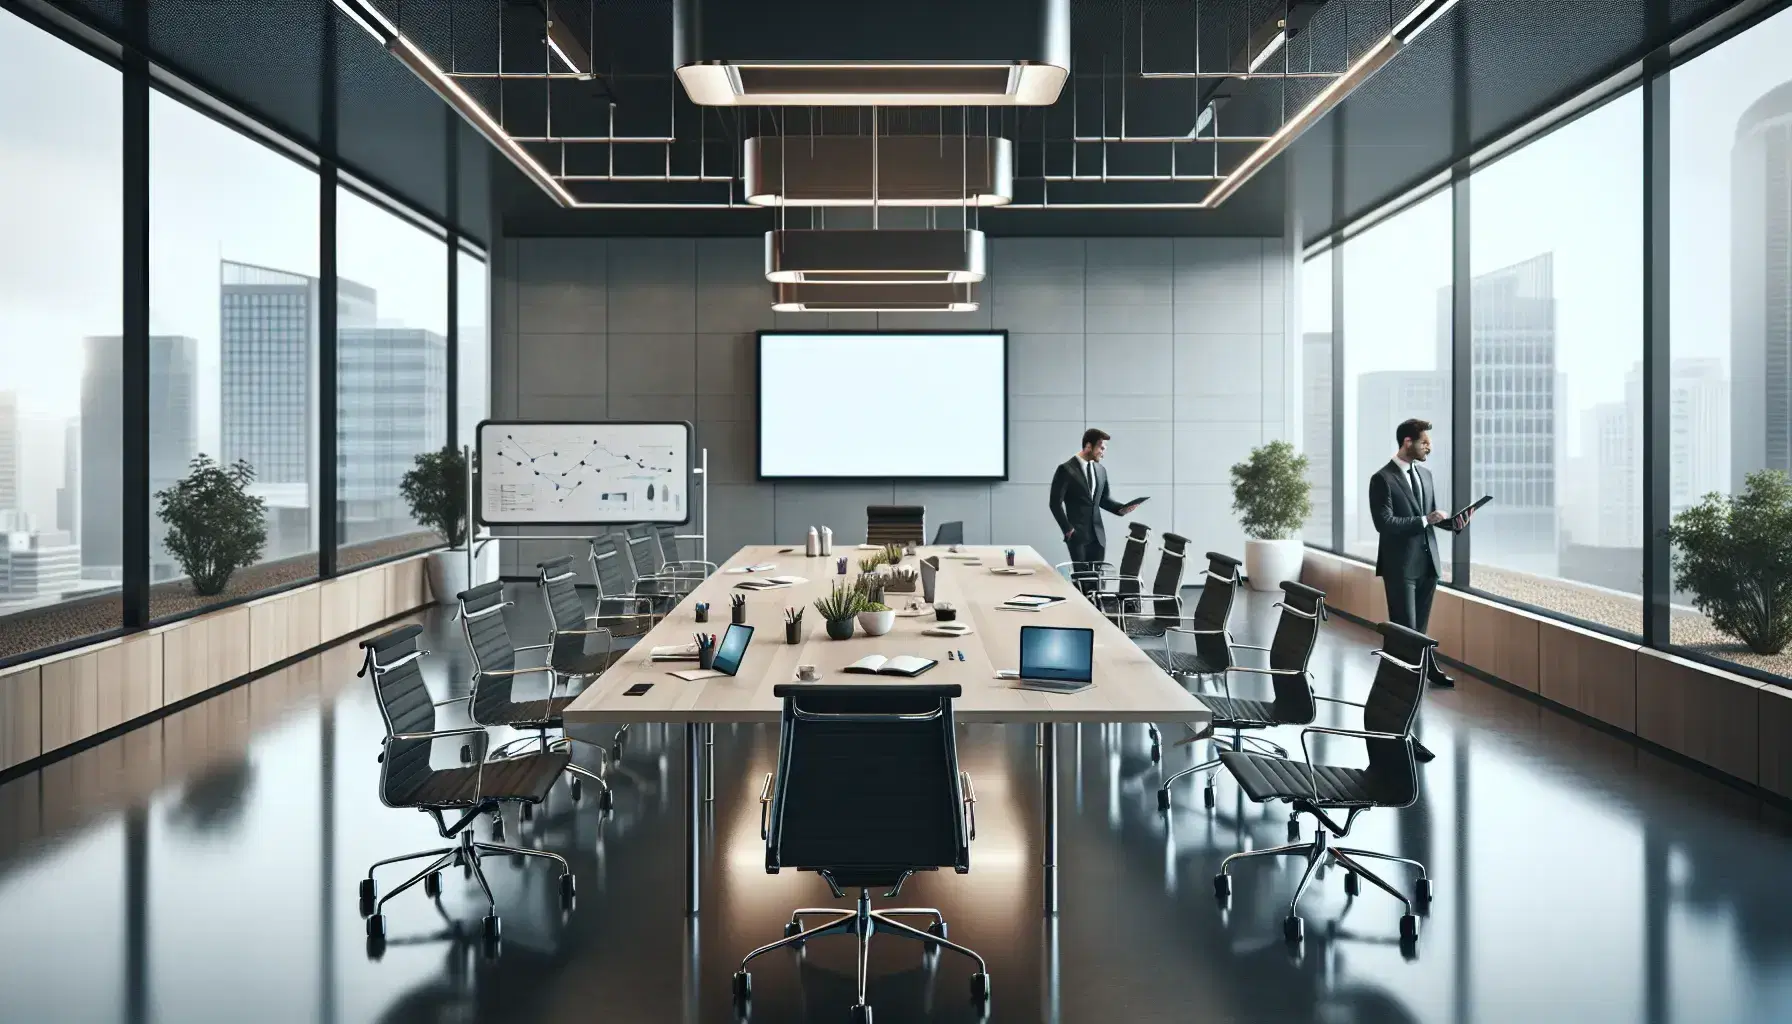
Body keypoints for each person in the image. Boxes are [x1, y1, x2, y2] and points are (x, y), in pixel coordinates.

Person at [1369, 417, 1474, 690]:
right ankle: (1402, 679)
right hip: (1400, 566)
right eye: (1424, 442)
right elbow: (1385, 524)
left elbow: (1432, 518)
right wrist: (1426, 519)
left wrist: (1455, 524)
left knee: (1419, 630)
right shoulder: (1382, 479)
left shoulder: (1425, 476)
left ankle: (1420, 669)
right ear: (1408, 442)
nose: (1429, 448)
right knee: (1404, 628)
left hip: (1428, 565)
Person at [1048, 428, 1144, 591]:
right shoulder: (1066, 470)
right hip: (1077, 535)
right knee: (1081, 581)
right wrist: (1068, 529)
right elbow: (1054, 503)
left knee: (1097, 583)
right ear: (1088, 446)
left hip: (1098, 536)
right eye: (1101, 448)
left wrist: (1122, 509)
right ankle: (1082, 614)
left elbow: (1104, 500)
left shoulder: (1101, 471)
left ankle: (1098, 613)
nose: (1103, 453)